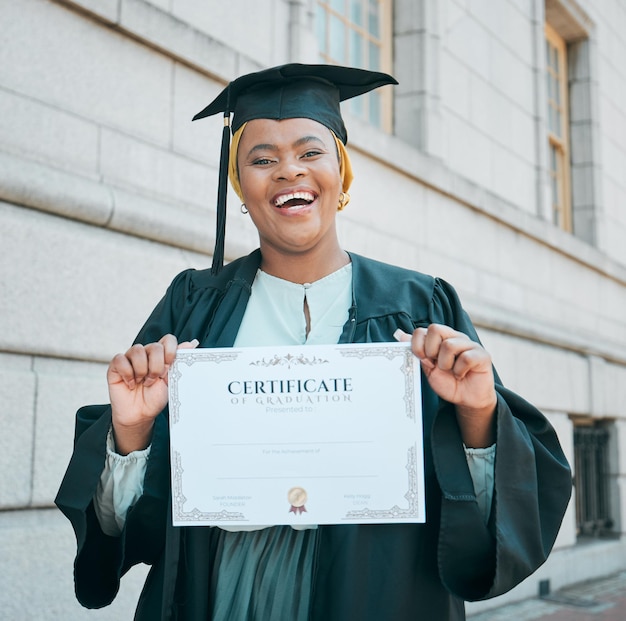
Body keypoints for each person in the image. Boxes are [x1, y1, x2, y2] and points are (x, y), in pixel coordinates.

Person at [56, 63, 572, 621]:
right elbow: (131, 529)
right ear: (240, 187)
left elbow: (488, 522)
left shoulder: (420, 304)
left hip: (379, 590)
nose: (287, 172)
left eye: (309, 152)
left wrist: (478, 416)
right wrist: (131, 432)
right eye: (261, 159)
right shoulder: (194, 306)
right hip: (221, 588)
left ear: (341, 173)